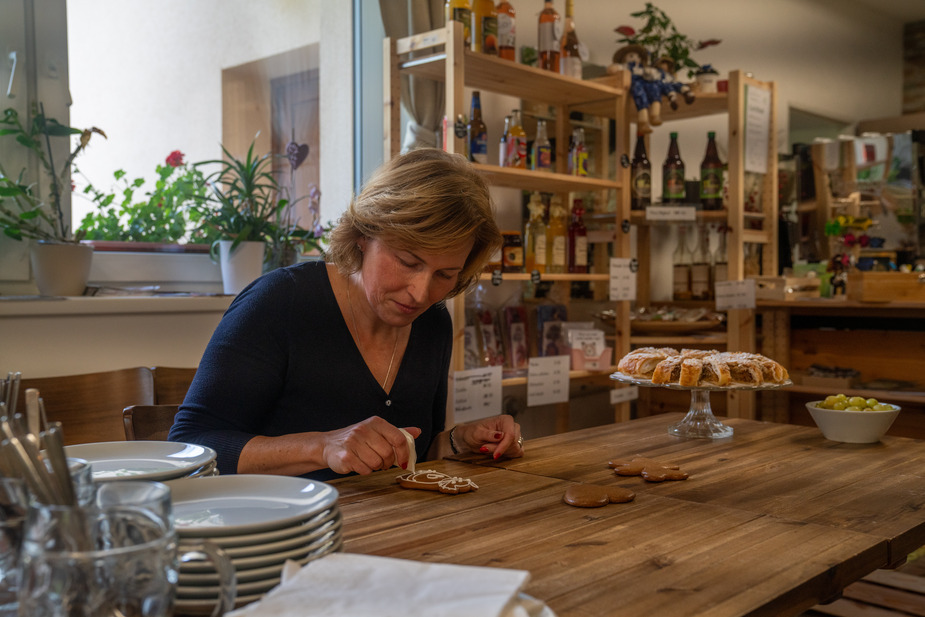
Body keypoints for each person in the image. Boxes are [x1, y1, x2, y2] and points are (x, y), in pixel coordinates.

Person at [169, 148, 523, 480]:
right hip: (280, 532)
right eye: (407, 262)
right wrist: (321, 447)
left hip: (385, 534)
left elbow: (414, 454)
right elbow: (187, 447)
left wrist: (459, 440)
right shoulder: (281, 302)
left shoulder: (432, 322)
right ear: (364, 234)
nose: (420, 293)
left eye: (445, 275)